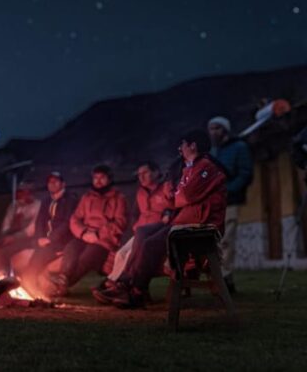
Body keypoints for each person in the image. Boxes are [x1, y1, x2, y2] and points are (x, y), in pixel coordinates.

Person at [98, 130, 227, 308]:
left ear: (193, 145)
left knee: (151, 245)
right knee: (142, 232)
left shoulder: (206, 168)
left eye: (182, 144)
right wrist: (175, 195)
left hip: (198, 225)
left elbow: (186, 196)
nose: (179, 149)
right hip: (185, 221)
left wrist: (176, 195)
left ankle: (136, 290)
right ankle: (126, 283)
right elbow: (176, 199)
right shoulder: (191, 168)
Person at [93, 161, 173, 297]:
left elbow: (173, 207)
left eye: (145, 173)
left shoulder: (166, 187)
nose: (141, 177)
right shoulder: (141, 192)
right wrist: (136, 225)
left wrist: (167, 215)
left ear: (156, 172)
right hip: (142, 231)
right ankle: (112, 282)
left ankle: (120, 285)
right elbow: (135, 213)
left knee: (131, 255)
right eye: (139, 174)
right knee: (121, 254)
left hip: (156, 232)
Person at [45, 165, 127, 298]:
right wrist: (83, 233)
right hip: (85, 236)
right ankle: (63, 278)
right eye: (95, 178)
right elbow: (75, 218)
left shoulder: (118, 198)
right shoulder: (87, 197)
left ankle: (62, 286)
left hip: (104, 241)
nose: (98, 181)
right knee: (71, 248)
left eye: (102, 178)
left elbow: (120, 222)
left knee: (86, 258)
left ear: (109, 179)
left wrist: (98, 234)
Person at [208, 116, 253, 294]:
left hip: (231, 200)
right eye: (211, 128)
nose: (213, 132)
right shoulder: (212, 151)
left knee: (227, 240)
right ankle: (223, 278)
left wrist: (229, 190)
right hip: (213, 203)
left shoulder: (239, 147)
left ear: (225, 130)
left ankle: (224, 278)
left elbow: (245, 173)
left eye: (217, 128)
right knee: (215, 241)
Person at [23, 172, 79, 297]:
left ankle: (32, 284)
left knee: (39, 257)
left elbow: (67, 223)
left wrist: (50, 239)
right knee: (33, 256)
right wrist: (39, 239)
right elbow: (40, 222)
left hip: (61, 241)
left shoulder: (71, 200)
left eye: (55, 181)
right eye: (50, 182)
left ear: (63, 184)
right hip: (45, 242)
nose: (52, 184)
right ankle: (31, 286)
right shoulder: (46, 200)